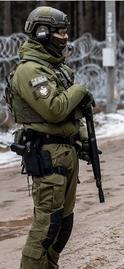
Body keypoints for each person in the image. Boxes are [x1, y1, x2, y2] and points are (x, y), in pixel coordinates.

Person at [6, 6, 94, 268]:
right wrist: (79, 90)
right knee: (47, 226)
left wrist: (84, 138)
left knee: (64, 224)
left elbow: (70, 117)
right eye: (59, 32)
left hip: (65, 153)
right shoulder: (31, 70)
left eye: (66, 31)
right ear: (42, 32)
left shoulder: (54, 68)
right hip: (48, 154)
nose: (64, 37)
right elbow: (55, 110)